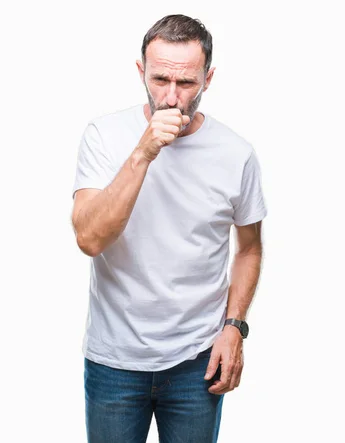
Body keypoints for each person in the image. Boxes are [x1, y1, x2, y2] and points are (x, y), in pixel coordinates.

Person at [71, 14, 267, 443]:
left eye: (187, 84)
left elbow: (249, 248)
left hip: (198, 360)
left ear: (208, 78)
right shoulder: (104, 136)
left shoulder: (236, 153)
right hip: (115, 362)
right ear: (141, 71)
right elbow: (89, 238)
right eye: (160, 79)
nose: (173, 98)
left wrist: (235, 327)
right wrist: (144, 151)